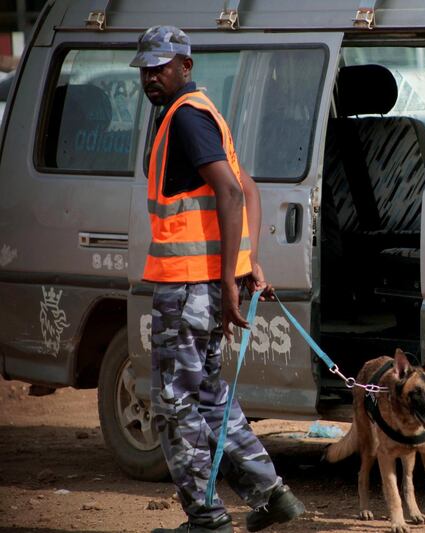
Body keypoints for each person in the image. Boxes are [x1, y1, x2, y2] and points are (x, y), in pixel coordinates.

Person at [130, 26, 305, 533]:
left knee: (176, 403)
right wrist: (246, 265)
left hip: (187, 287)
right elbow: (248, 189)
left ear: (186, 66)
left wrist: (234, 279)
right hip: (201, 287)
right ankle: (272, 495)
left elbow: (232, 193)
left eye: (161, 67)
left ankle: (206, 517)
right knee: (208, 395)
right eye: (145, 68)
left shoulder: (186, 117)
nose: (151, 77)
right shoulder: (201, 113)